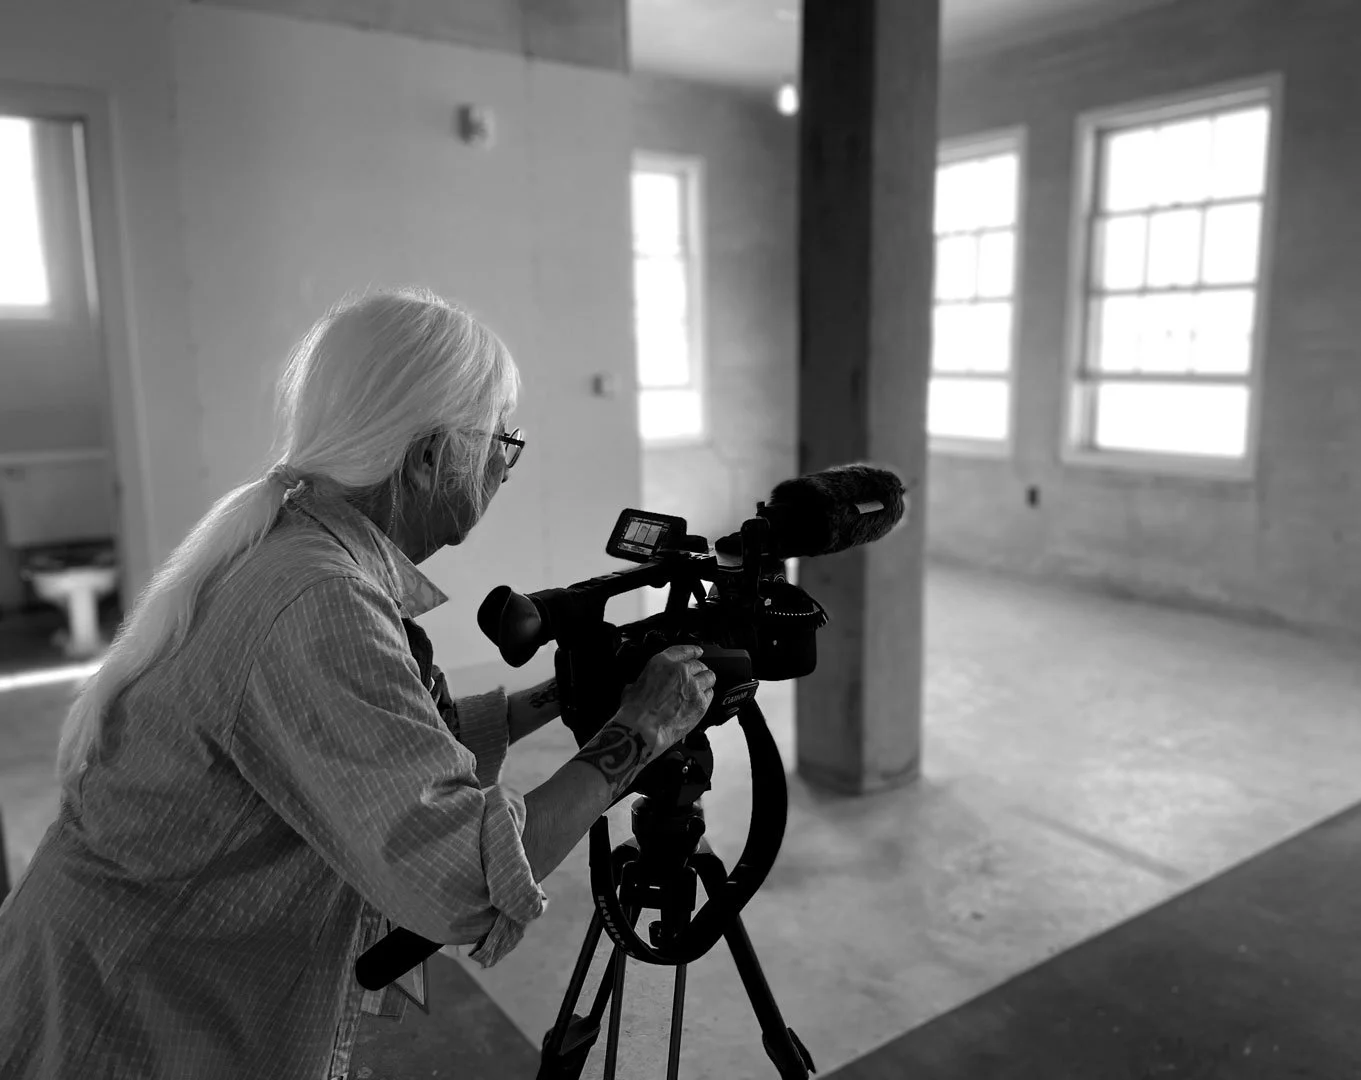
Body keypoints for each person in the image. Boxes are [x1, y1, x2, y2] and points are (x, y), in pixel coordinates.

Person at [0, 288, 716, 1080]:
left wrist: (551, 699)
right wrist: (641, 731)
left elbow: (375, 752)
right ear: (430, 456)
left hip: (111, 962)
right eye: (500, 443)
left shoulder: (289, 543)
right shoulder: (321, 599)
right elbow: (463, 880)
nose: (506, 471)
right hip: (132, 1009)